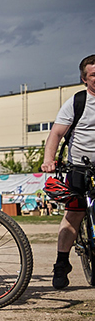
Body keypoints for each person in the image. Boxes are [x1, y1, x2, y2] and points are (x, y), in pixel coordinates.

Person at [41, 54, 95, 289]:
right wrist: (48, 160)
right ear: (84, 79)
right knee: (73, 216)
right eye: (93, 75)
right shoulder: (77, 102)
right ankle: (62, 263)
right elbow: (56, 134)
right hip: (79, 168)